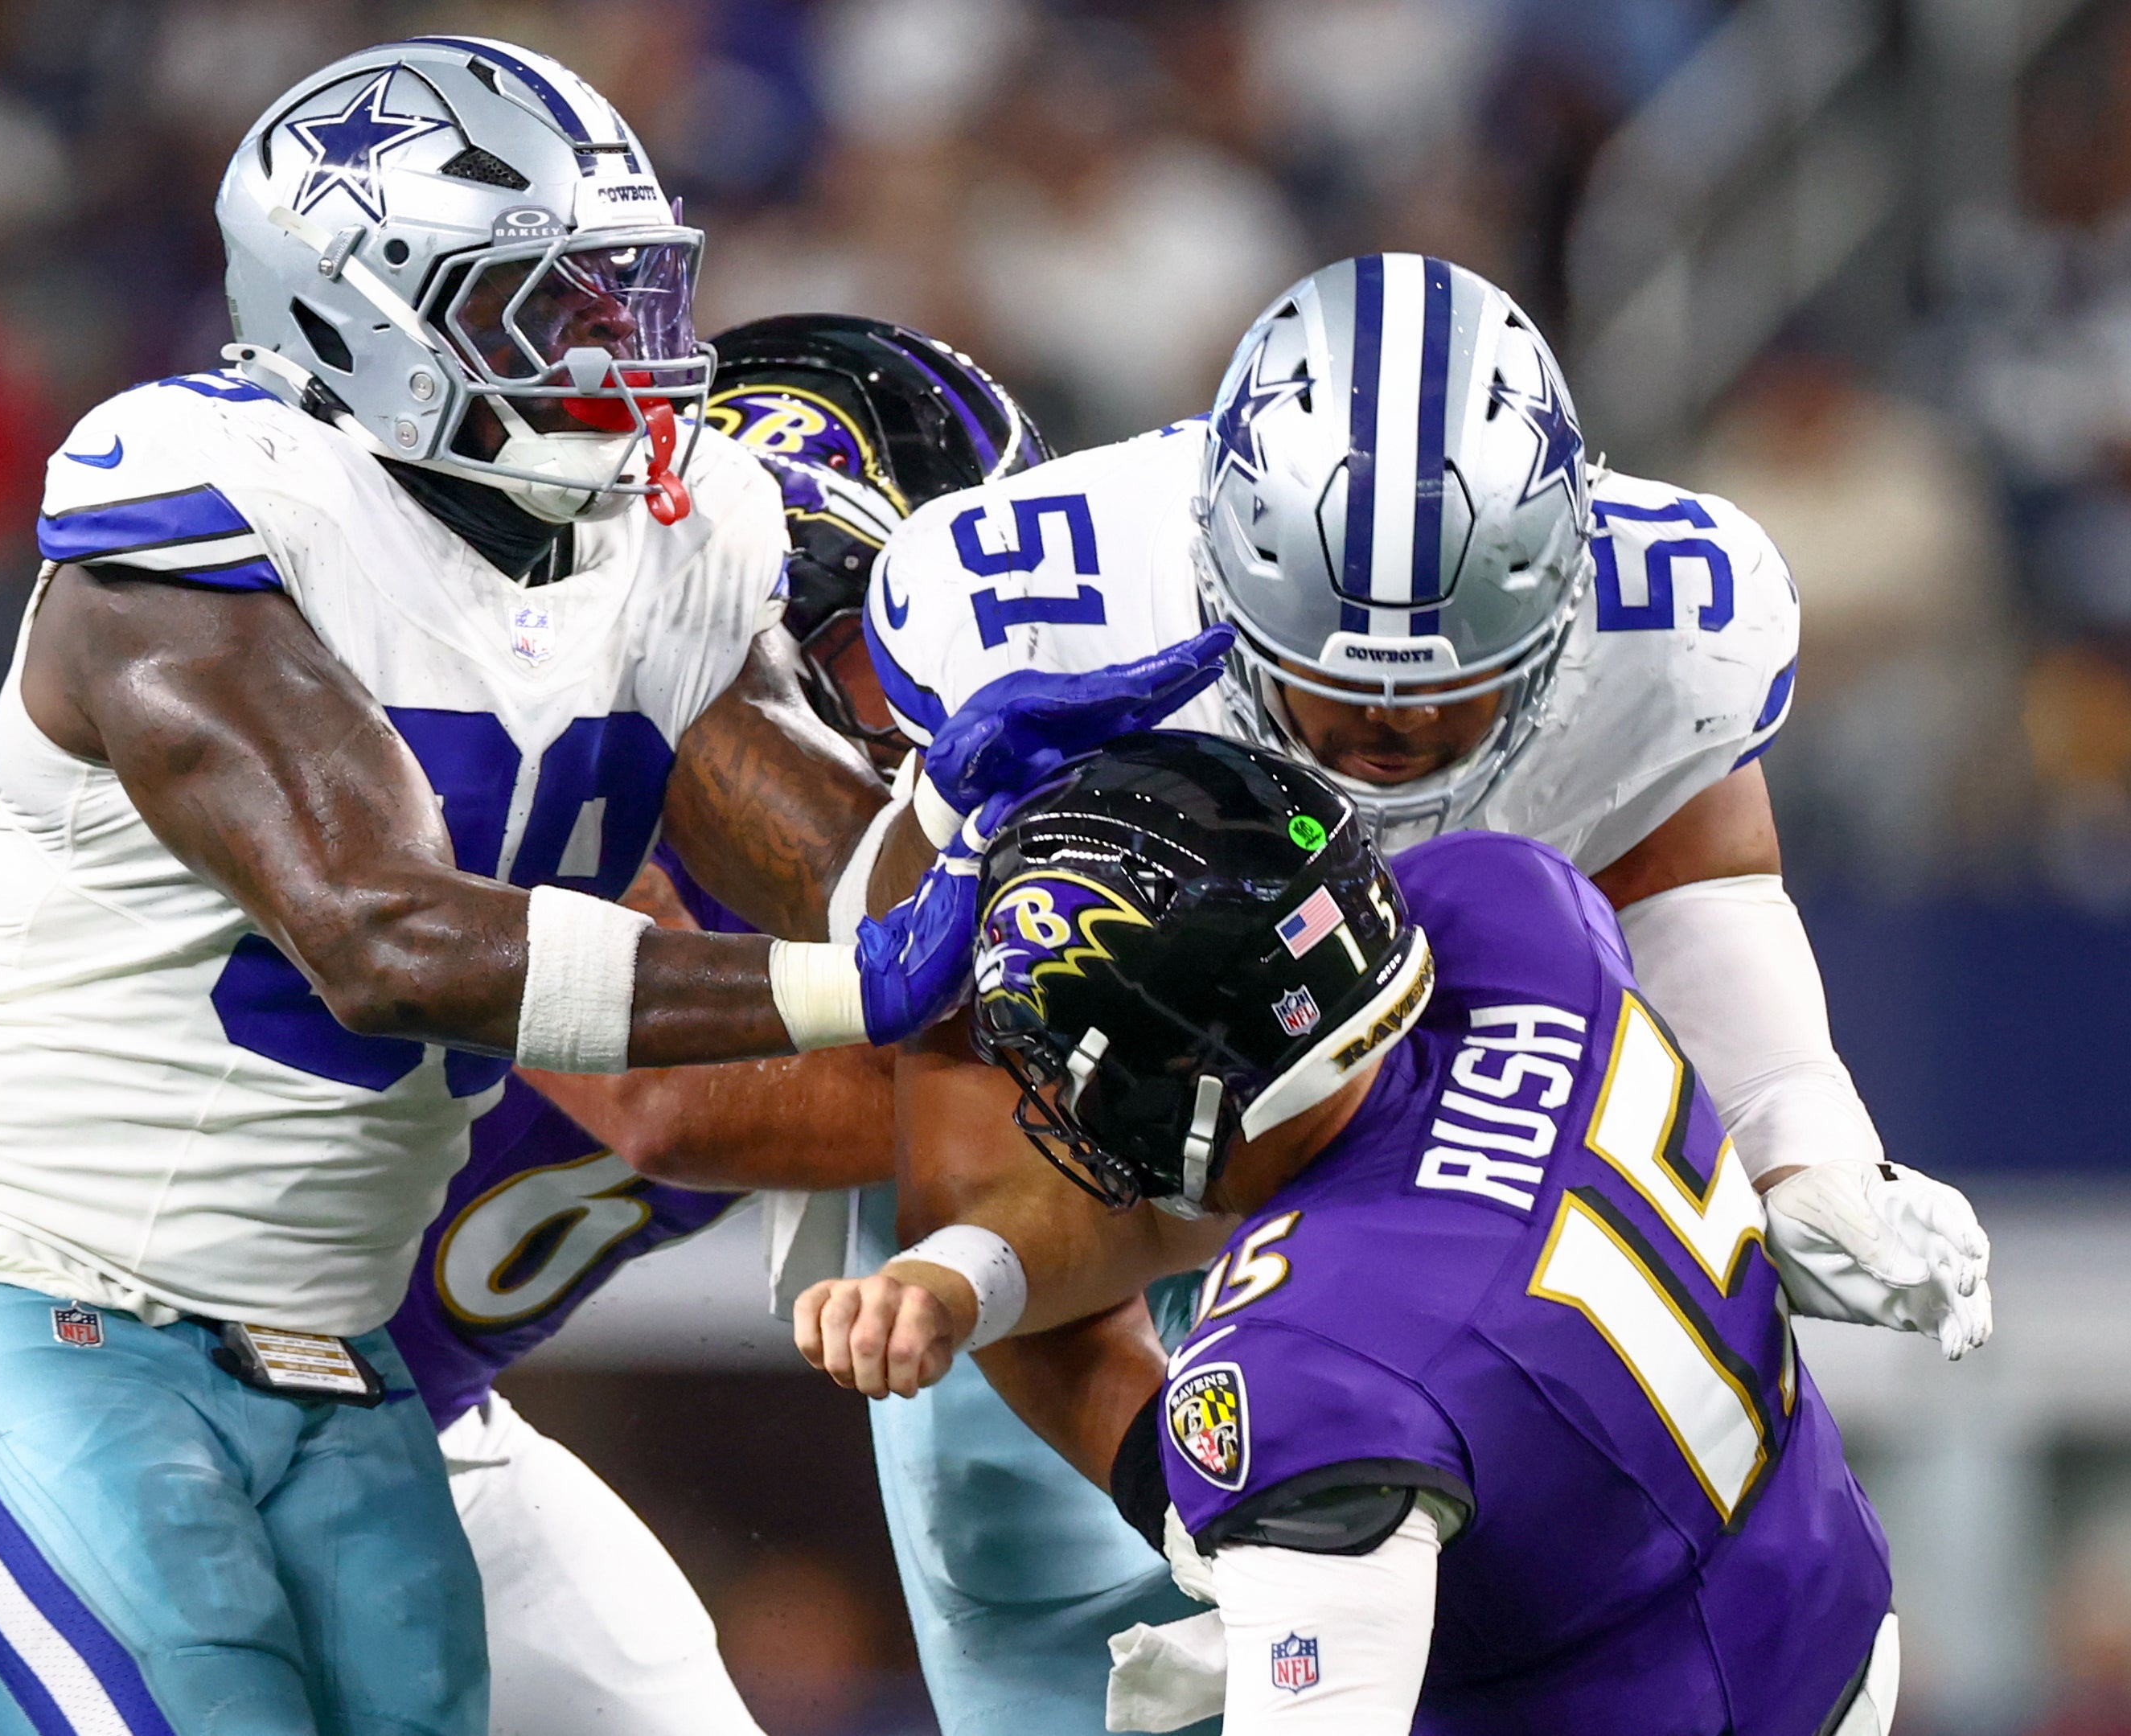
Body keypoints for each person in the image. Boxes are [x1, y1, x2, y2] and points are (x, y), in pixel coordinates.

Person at [0, 43, 1213, 1736]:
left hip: (349, 1371)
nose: (624, 358)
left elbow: (855, 880)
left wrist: (1063, 842)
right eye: (550, 310)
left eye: (636, 298)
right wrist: (875, 979)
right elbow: (387, 937)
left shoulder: (667, 545)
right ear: (357, 318)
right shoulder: (207, 504)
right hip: (40, 1291)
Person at [850, 254, 1986, 1734]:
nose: (1388, 729)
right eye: (1333, 681)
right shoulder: (1058, 626)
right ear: (1216, 573)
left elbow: (1700, 886)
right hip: (1139, 1172)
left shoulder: (1622, 708)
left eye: (1451, 684)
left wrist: (1804, 1144)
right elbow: (980, 1142)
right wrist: (1181, 1495)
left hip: (1398, 1227)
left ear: (1565, 596)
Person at [799, 733, 1900, 1735]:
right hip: (1819, 1589)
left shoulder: (1306, 1367)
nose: (1048, 1104)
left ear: (1191, 1079)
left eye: (1072, 1068)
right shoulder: (1511, 910)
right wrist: (962, 1278)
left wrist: (1262, 1555)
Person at [386, 313, 1049, 1736]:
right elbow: (668, 1100)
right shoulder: (555, 746)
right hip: (181, 1379)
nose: (964, 683)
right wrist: (1076, 1091)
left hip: (417, 1429)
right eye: (907, 631)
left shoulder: (900, 835)